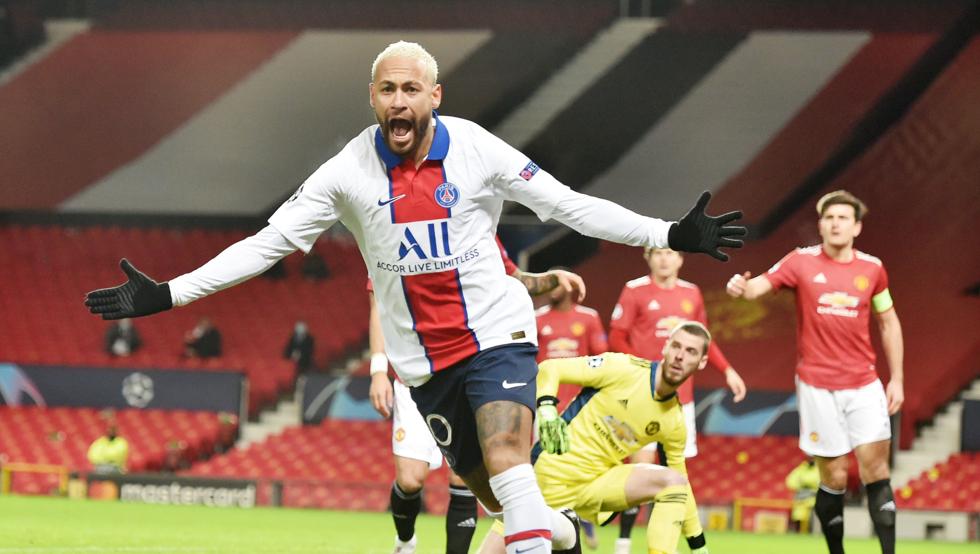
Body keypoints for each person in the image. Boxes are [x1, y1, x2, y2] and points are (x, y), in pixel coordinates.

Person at [84, 41, 745, 554]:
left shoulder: (477, 149)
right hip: (427, 369)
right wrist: (170, 293)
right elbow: (268, 243)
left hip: (497, 336)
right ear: (372, 97)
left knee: (510, 458)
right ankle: (563, 534)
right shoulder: (347, 171)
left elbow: (569, 208)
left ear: (434, 94)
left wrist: (667, 232)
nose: (398, 100)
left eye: (410, 89)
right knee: (502, 498)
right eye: (386, 89)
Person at [368, 243, 588, 554]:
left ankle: (560, 531)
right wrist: (379, 368)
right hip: (417, 376)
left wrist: (550, 279)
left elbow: (514, 277)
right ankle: (405, 542)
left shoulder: (473, 220)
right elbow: (379, 302)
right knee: (411, 480)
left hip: (474, 369)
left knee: (483, 486)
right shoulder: (389, 226)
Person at [726, 190, 903, 554]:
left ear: (856, 227)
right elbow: (759, 286)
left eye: (843, 218)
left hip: (863, 383)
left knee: (876, 470)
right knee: (834, 476)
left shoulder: (873, 268)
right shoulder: (799, 262)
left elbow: (888, 322)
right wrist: (742, 289)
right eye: (829, 217)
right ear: (820, 225)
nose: (835, 223)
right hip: (816, 385)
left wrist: (897, 378)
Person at [477, 321, 716, 554]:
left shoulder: (674, 421)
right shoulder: (623, 368)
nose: (680, 356)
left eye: (691, 351)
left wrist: (699, 546)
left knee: (673, 482)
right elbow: (551, 368)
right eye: (676, 346)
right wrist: (547, 407)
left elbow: (682, 486)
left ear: (702, 361)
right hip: (550, 480)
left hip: (597, 485)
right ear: (665, 347)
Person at [609, 246, 746, 553]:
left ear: (681, 259)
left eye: (671, 253)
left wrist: (728, 371)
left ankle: (689, 544)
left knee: (675, 475)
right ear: (648, 258)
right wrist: (642, 371)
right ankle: (623, 542)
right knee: (641, 472)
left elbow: (703, 341)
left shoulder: (692, 294)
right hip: (643, 396)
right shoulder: (634, 290)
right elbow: (617, 336)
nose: (664, 258)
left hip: (681, 400)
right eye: (657, 252)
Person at [534, 277, 607, 549]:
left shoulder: (588, 319)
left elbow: (601, 360)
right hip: (543, 407)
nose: (551, 288)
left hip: (579, 410)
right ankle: (547, 530)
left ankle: (579, 523)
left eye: (556, 283)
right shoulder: (537, 319)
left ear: (570, 287)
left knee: (574, 473)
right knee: (544, 471)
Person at [786, 457, 820, 533]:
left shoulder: (819, 469)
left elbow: (821, 482)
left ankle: (811, 532)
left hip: (813, 497)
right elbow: (790, 481)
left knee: (812, 517)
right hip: (801, 497)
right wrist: (802, 485)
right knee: (798, 515)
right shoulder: (801, 469)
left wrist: (810, 486)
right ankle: (798, 532)